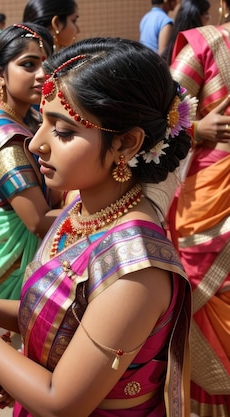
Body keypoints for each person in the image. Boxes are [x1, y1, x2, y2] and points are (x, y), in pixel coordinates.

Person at [0, 37, 193, 416]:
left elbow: (61, 401)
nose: (36, 143)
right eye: (43, 122)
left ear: (126, 144)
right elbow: (54, 314)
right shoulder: (80, 208)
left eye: (64, 131)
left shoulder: (136, 271)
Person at [0, 23, 61, 301]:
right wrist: (103, 214)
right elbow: (38, 221)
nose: (43, 75)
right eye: (28, 64)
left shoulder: (24, 120)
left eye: (46, 64)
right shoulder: (4, 139)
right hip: (18, 266)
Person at [168, 1, 230, 413]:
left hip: (206, 204)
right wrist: (197, 127)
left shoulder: (205, 48)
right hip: (210, 208)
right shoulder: (207, 47)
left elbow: (157, 115)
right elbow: (159, 116)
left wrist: (192, 126)